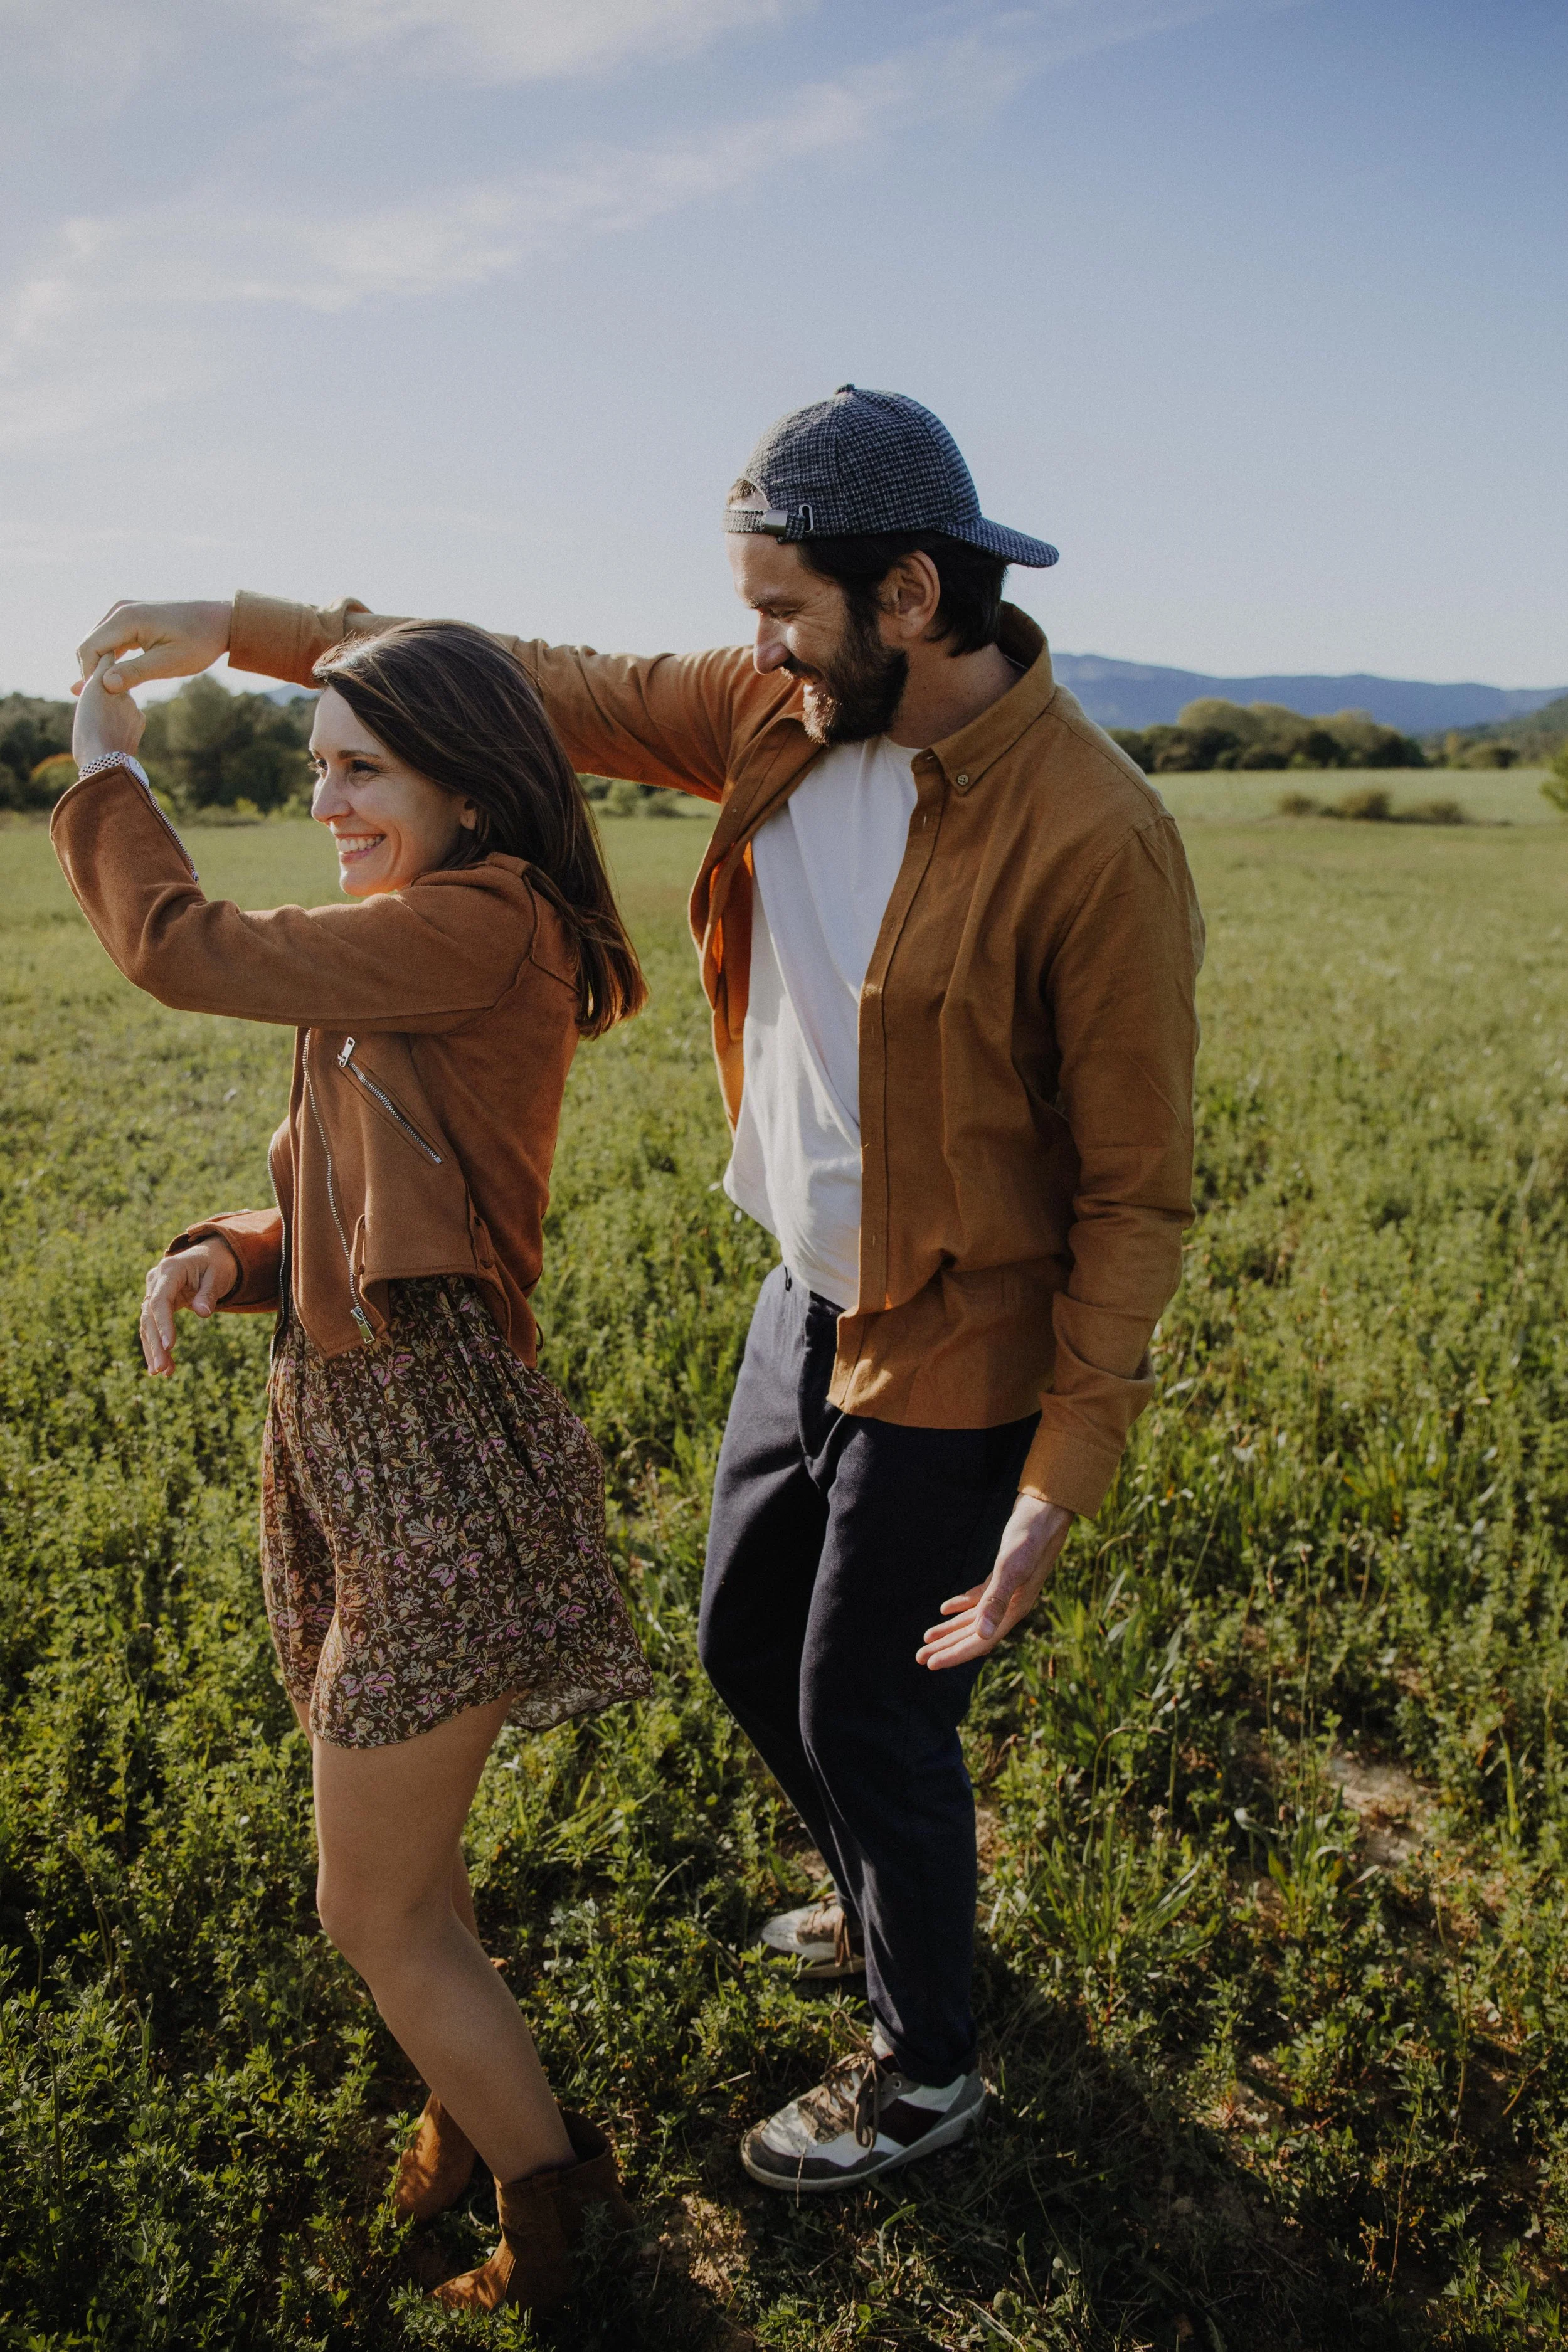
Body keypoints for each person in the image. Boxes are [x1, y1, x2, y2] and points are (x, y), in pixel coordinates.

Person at [76, 383, 1204, 2195]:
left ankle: (927, 2067)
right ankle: (884, 1899)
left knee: (865, 1705)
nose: (754, 646)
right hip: (804, 1293)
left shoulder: (1093, 834)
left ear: (911, 595)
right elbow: (518, 680)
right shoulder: (776, 713)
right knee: (747, 1643)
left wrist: (1063, 1470)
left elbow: (1139, 1189)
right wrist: (244, 625)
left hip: (967, 1321)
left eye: (783, 609)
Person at [55, 620, 654, 2312]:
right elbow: (345, 1191)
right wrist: (227, 1256)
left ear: (471, 786)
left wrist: (105, 765)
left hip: (438, 1470)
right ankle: (468, 2111)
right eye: (317, 765)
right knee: (415, 1880)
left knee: (370, 1910)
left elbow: (179, 946)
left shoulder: (485, 919)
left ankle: (561, 2227)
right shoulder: (419, 936)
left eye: (359, 768)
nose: (324, 802)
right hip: (357, 1450)